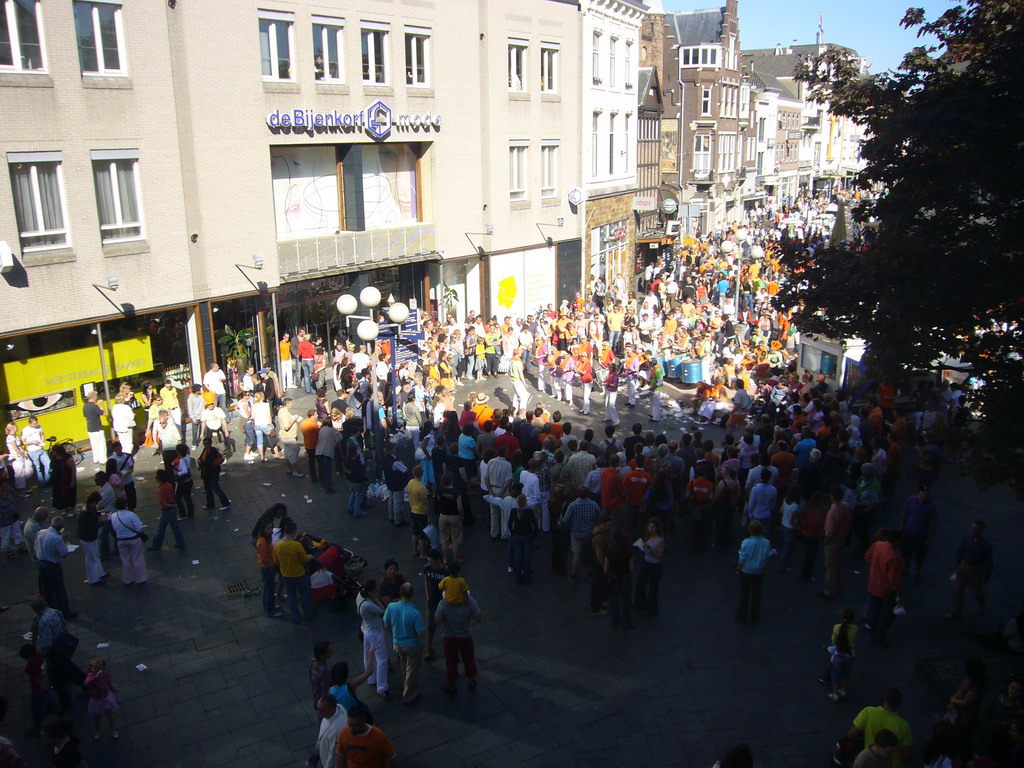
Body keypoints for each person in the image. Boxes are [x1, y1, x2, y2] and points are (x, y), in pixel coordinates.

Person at [30, 599, 85, 712]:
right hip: (63, 644)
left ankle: (65, 702)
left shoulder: (43, 621)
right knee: (69, 667)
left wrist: (47, 658)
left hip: (55, 652)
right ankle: (85, 684)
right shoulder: (55, 612)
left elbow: (47, 643)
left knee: (56, 679)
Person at [382, 582, 425, 705]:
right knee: (412, 669)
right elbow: (421, 633)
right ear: (412, 594)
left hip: (397, 643)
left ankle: (404, 684)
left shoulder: (391, 607)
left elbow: (386, 624)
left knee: (403, 664)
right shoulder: (415, 613)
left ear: (400, 593)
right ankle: (409, 695)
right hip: (412, 645)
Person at [848, 688, 914, 768]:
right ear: (899, 704)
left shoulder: (868, 712)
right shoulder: (904, 726)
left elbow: (852, 734)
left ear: (884, 700)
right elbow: (907, 756)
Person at [434, 589, 482, 693]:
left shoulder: (444, 603)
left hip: (449, 636)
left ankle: (452, 684)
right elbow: (478, 617)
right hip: (466, 636)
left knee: (451, 661)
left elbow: (437, 621)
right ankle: (471, 680)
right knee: (469, 658)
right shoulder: (469, 601)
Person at [864, 529, 904, 646]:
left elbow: (867, 556)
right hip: (885, 587)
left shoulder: (878, 545)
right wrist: (899, 594)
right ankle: (879, 633)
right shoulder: (894, 556)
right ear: (896, 540)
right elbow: (893, 580)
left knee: (875, 609)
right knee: (891, 610)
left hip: (873, 582)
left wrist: (876, 566)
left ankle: (873, 631)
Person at [949, 519, 992, 619]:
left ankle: (982, 603)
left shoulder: (986, 545)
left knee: (976, 590)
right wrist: (958, 567)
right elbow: (960, 552)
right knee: (958, 589)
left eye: (976, 529)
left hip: (975, 569)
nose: (973, 531)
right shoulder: (967, 538)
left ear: (981, 531)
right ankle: (957, 611)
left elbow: (989, 563)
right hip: (964, 565)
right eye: (972, 528)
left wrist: (985, 578)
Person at [356, 581, 390, 701]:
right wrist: (376, 599)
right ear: (370, 592)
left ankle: (371, 678)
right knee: (382, 658)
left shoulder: (359, 597)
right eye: (374, 591)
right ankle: (382, 687)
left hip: (365, 628)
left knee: (367, 654)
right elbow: (382, 610)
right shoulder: (368, 605)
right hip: (375, 631)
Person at [335, 703, 397, 768]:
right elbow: (340, 755)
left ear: (363, 721)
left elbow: (392, 758)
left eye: (355, 726)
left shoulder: (379, 737)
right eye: (350, 725)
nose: (352, 729)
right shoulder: (344, 734)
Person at [34, 516, 75, 618]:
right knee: (59, 590)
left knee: (46, 589)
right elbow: (64, 554)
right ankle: (65, 612)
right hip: (52, 565)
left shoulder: (41, 532)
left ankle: (49, 609)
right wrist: (64, 540)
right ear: (60, 527)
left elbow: (35, 546)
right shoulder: (57, 538)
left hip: (41, 563)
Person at [736, 519, 775, 623]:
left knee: (745, 593)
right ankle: (754, 616)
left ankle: (742, 615)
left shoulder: (746, 542)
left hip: (747, 571)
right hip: (759, 571)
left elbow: (742, 558)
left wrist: (738, 568)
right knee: (757, 594)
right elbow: (767, 556)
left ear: (750, 530)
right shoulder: (766, 542)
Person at [275, 521, 314, 624]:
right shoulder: (296, 545)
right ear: (294, 532)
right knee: (304, 595)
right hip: (299, 574)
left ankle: (295, 616)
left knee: (291, 596)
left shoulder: (278, 545)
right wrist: (310, 556)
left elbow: (276, 561)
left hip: (286, 575)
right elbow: (305, 559)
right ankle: (308, 613)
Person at [561, 487, 601, 584]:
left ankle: (573, 575)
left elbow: (565, 520)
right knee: (589, 553)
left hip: (576, 533)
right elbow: (599, 517)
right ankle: (590, 574)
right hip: (589, 533)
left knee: (576, 555)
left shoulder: (573, 505)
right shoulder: (593, 504)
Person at [820, 485, 852, 599]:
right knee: (836, 562)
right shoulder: (846, 507)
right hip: (842, 537)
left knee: (830, 566)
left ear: (832, 496)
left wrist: (826, 540)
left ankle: (829, 590)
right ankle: (838, 584)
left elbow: (830, 531)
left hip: (833, 540)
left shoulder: (833, 511)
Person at [110, 499, 147, 585]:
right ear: (125, 505)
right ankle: (140, 579)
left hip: (121, 540)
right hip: (133, 539)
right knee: (137, 559)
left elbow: (114, 528)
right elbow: (138, 528)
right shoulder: (131, 515)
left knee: (125, 560)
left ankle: (128, 579)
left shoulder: (113, 516)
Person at [633, 517, 665, 615]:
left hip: (655, 565)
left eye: (653, 527)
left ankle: (651, 608)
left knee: (653, 587)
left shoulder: (660, 540)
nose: (650, 529)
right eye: (649, 527)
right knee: (640, 583)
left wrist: (650, 549)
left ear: (657, 528)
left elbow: (660, 556)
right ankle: (639, 603)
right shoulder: (648, 536)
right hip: (647, 562)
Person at [148, 470, 185, 551]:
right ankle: (181, 543)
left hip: (166, 511)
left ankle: (156, 546)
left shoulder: (161, 489)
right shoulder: (169, 485)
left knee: (160, 529)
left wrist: (172, 505)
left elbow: (163, 503)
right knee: (175, 527)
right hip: (172, 510)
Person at [604, 531, 635, 629]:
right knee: (625, 600)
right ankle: (626, 622)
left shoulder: (610, 551)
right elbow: (631, 568)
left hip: (612, 577)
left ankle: (614, 622)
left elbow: (606, 567)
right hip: (624, 576)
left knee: (613, 600)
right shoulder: (628, 552)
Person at [83, 657, 119, 741]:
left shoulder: (105, 674)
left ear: (103, 668)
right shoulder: (91, 676)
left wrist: (114, 689)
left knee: (109, 715)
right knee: (97, 716)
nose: (96, 670)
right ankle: (97, 730)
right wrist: (96, 677)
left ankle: (114, 729)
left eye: (98, 668)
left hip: (105, 697)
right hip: (96, 699)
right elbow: (86, 683)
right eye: (94, 668)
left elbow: (109, 683)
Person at [75, 494, 107, 585]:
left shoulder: (89, 509)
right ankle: (93, 579)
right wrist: (103, 522)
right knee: (91, 558)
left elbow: (94, 515)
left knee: (95, 555)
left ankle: (100, 573)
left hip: (90, 536)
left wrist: (101, 513)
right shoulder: (86, 513)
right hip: (87, 537)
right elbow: (92, 525)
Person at [827, 608, 858, 702]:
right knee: (846, 674)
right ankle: (844, 691)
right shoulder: (855, 628)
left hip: (838, 656)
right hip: (850, 655)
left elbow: (833, 641)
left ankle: (835, 694)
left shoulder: (836, 627)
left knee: (835, 676)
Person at [255, 519, 283, 618]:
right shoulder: (262, 542)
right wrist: (272, 566)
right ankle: (270, 610)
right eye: (268, 528)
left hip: (268, 567)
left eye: (271, 527)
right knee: (270, 589)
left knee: (268, 588)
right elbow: (264, 557)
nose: (271, 530)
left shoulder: (267, 538)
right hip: (267, 568)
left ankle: (268, 607)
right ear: (263, 529)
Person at [508, 495, 539, 585]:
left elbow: (510, 524)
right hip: (528, 536)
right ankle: (528, 575)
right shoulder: (529, 512)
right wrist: (534, 535)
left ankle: (518, 577)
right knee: (527, 556)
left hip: (517, 535)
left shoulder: (514, 511)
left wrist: (513, 534)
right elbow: (535, 525)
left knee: (518, 556)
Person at [198, 437, 230, 511]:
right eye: (204, 443)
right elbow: (201, 458)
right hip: (206, 473)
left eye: (207, 443)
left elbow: (209, 462)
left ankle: (225, 502)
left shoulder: (212, 451)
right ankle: (210, 504)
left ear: (210, 443)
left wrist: (201, 463)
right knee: (208, 489)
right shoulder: (205, 450)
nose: (206, 445)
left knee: (216, 488)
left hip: (212, 473)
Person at [313, 694, 345, 768]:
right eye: (317, 708)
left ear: (332, 709)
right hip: (322, 753)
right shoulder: (338, 708)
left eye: (321, 710)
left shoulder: (336, 730)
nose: (318, 712)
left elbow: (333, 755)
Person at [82, 392, 107, 466]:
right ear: (93, 397)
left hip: (90, 428)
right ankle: (103, 460)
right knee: (101, 444)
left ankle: (96, 459)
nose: (97, 398)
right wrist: (101, 404)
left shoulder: (85, 406)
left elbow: (85, 417)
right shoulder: (94, 406)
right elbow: (104, 413)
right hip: (97, 428)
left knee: (94, 444)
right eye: (96, 397)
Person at [173, 444, 196, 520]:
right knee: (188, 498)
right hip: (189, 480)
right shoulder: (187, 457)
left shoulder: (182, 460)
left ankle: (183, 514)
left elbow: (185, 471)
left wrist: (178, 474)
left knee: (178, 498)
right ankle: (191, 513)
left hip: (183, 482)